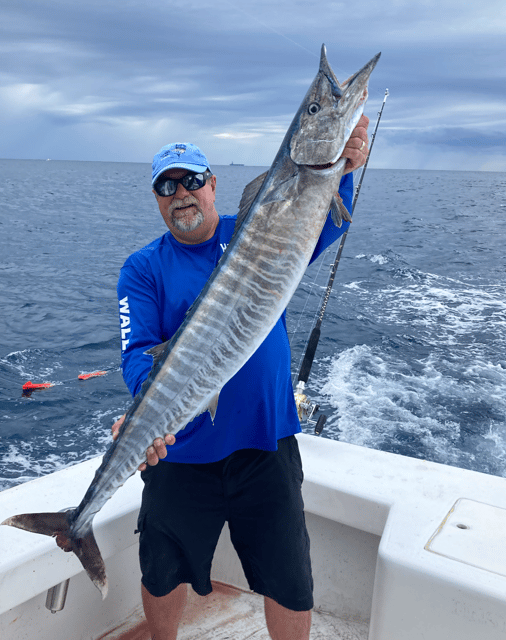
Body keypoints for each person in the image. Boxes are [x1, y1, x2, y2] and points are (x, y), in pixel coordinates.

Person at [112, 116, 370, 640]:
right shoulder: (142, 269)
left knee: (289, 579)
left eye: (191, 180)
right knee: (162, 573)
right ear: (157, 198)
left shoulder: (257, 232)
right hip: (179, 449)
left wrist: (341, 170)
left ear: (212, 184)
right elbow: (138, 351)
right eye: (167, 185)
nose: (181, 193)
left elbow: (324, 223)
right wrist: (145, 408)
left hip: (265, 441)